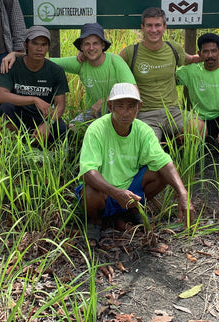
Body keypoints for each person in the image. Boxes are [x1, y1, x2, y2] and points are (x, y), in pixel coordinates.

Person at [77, 82, 195, 245]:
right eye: (120, 106)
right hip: (105, 190)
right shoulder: (97, 129)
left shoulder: (143, 130)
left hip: (130, 189)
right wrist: (115, 192)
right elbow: (88, 171)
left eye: (131, 106)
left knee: (160, 173)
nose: (126, 112)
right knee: (89, 192)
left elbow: (164, 162)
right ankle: (95, 223)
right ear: (110, 106)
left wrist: (183, 193)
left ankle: (132, 209)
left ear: (139, 107)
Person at [119, 7, 200, 141]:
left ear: (164, 27)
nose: (153, 30)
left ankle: (175, 146)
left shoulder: (174, 48)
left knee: (199, 127)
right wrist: (85, 55)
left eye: (158, 25)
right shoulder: (130, 53)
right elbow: (111, 67)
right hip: (145, 114)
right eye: (149, 25)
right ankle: (161, 149)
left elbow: (191, 59)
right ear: (143, 28)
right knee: (150, 146)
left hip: (173, 112)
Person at [0, 26, 69, 145]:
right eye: (35, 44)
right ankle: (14, 146)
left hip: (43, 117)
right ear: (25, 45)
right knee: (5, 109)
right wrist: (34, 99)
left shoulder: (56, 71)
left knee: (62, 130)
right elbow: (0, 97)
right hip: (19, 115)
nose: (39, 49)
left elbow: (60, 105)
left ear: (48, 47)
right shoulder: (12, 65)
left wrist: (48, 124)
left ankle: (47, 154)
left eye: (44, 45)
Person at [52, 22, 136, 124]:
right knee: (72, 129)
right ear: (81, 47)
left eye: (95, 43)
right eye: (87, 44)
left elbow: (132, 89)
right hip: (93, 113)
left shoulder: (115, 61)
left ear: (103, 45)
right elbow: (47, 61)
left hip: (118, 111)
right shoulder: (80, 63)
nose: (91, 48)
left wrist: (105, 101)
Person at [175, 33, 219, 142]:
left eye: (214, 51)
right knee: (184, 136)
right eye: (205, 51)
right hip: (199, 118)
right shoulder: (191, 71)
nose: (210, 55)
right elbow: (164, 78)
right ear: (199, 54)